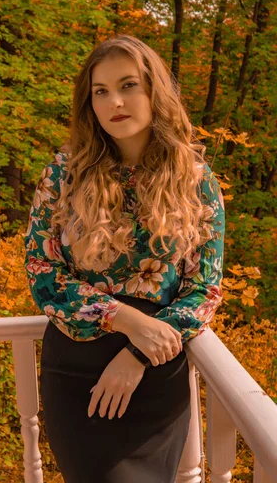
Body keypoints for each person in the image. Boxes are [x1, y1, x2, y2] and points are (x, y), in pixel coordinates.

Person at [24, 34, 225, 483]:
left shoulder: (195, 179)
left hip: (155, 369)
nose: (115, 101)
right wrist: (125, 319)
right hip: (77, 372)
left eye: (128, 85)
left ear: (154, 90)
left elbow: (204, 291)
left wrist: (136, 352)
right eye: (101, 91)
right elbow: (43, 273)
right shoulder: (64, 173)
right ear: (89, 103)